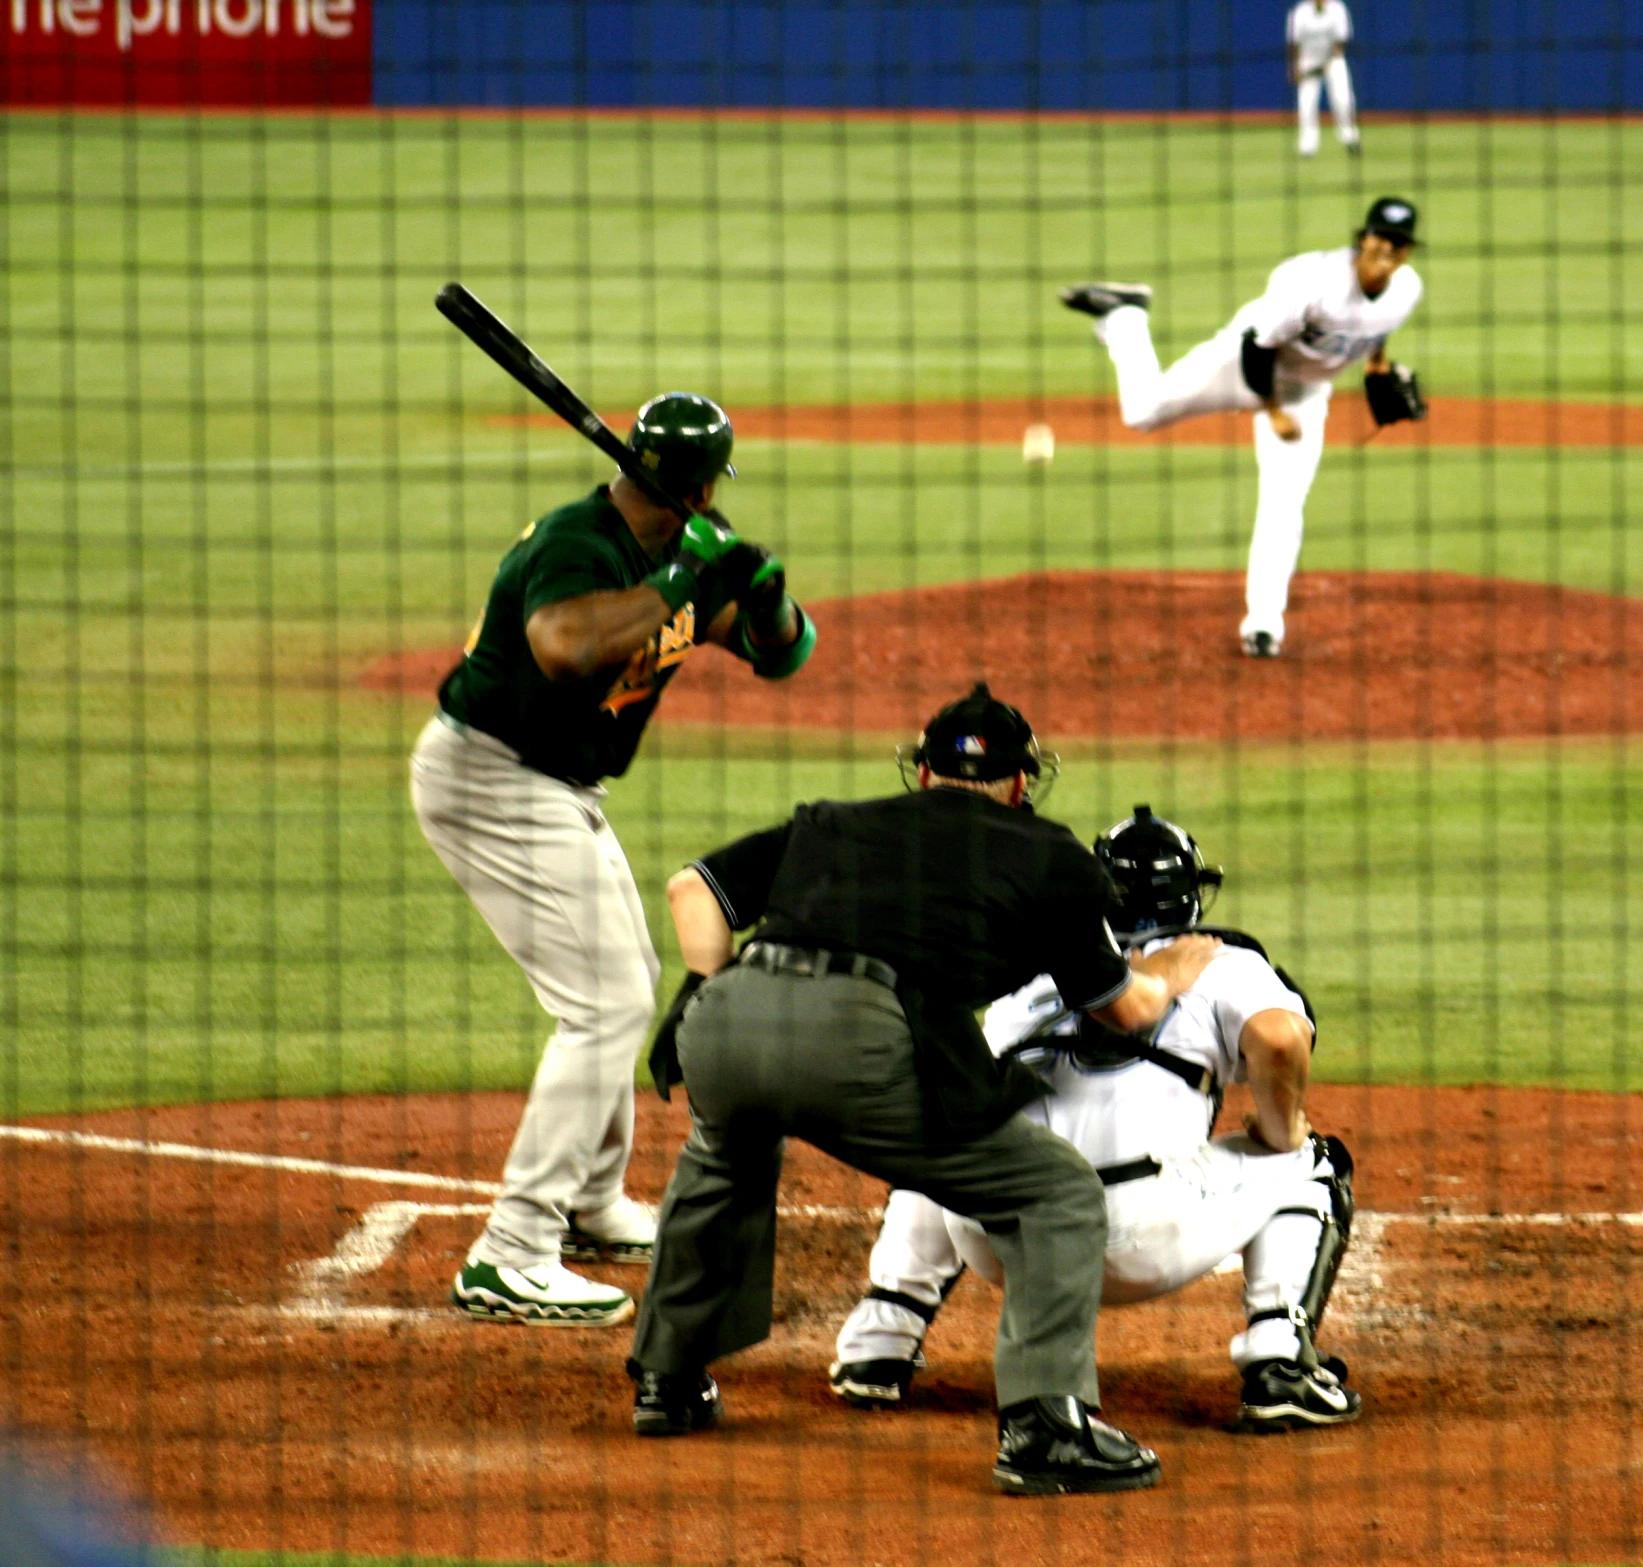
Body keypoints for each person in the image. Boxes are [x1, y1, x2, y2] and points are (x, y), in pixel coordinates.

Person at [625, 686, 1224, 1498]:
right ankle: (1045, 1427)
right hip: (862, 1038)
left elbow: (688, 890)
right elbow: (1123, 1009)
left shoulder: (832, 821)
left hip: (728, 1016)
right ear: (1021, 781)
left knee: (724, 1153)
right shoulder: (1049, 855)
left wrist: (732, 994)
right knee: (1055, 1189)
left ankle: (668, 1378)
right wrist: (1168, 971)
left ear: (921, 768)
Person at [411, 393, 816, 1328]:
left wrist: (764, 597)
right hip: (491, 775)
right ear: (706, 478)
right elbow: (563, 647)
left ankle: (592, 1199)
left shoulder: (687, 547)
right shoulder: (578, 541)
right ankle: (511, 1252)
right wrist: (683, 571)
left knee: (625, 979)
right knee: (606, 1004)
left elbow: (785, 654)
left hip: (557, 784)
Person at [829, 805, 1360, 1432]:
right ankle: (1281, 1365)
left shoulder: (1031, 956)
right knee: (1312, 1161)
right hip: (1135, 1243)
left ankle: (878, 1342)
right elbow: (1277, 1040)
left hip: (995, 1237)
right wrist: (1280, 1133)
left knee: (955, 1137)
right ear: (1192, 895)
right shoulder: (1224, 961)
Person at [1060, 196, 1424, 658]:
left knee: (1285, 500)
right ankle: (1126, 316)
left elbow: (1375, 329)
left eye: (1399, 243)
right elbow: (1258, 346)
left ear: (1408, 250)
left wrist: (1377, 368)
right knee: (1142, 412)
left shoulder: (1407, 288)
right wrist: (1272, 412)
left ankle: (1264, 623)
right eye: (1381, 238)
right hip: (1241, 360)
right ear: (1363, 238)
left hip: (1306, 392)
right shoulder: (1312, 283)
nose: (1388, 249)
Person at [1287, 0, 1358, 158]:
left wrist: (1326, 63)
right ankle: (1307, 146)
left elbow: (1340, 42)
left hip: (1333, 60)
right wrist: (1295, 67)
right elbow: (1294, 43)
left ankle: (1350, 138)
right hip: (1308, 60)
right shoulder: (1300, 12)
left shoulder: (1338, 9)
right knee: (1306, 103)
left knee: (1343, 99)